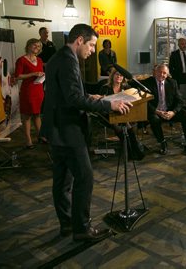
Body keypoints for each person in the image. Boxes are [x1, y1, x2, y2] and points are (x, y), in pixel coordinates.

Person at [41, 24, 132, 242]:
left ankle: (67, 225)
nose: (92, 50)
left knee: (62, 181)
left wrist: (91, 96)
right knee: (85, 177)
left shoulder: (59, 57)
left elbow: (69, 92)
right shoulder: (68, 60)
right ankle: (82, 229)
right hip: (68, 130)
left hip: (56, 129)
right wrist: (109, 106)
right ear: (80, 40)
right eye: (91, 45)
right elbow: (73, 99)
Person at [143, 64, 186, 158]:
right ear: (155, 72)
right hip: (155, 112)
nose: (162, 75)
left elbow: (180, 100)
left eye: (164, 73)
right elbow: (145, 102)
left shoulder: (172, 83)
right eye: (160, 72)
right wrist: (157, 112)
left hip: (169, 112)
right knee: (154, 119)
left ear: (167, 75)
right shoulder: (147, 83)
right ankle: (162, 142)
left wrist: (173, 112)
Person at [98, 68, 146, 160]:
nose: (119, 77)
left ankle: (131, 152)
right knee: (122, 125)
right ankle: (133, 151)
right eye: (117, 75)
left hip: (123, 113)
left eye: (121, 75)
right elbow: (102, 105)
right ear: (112, 76)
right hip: (108, 114)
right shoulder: (105, 88)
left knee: (126, 124)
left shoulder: (126, 88)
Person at [15, 38, 45, 149]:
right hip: (28, 90)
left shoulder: (40, 60)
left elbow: (39, 73)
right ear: (28, 46)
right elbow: (17, 76)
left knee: (37, 114)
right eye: (34, 45)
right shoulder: (21, 60)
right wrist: (33, 74)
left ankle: (40, 136)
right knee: (27, 116)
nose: (36, 48)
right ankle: (28, 141)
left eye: (39, 46)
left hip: (39, 89)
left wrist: (41, 75)